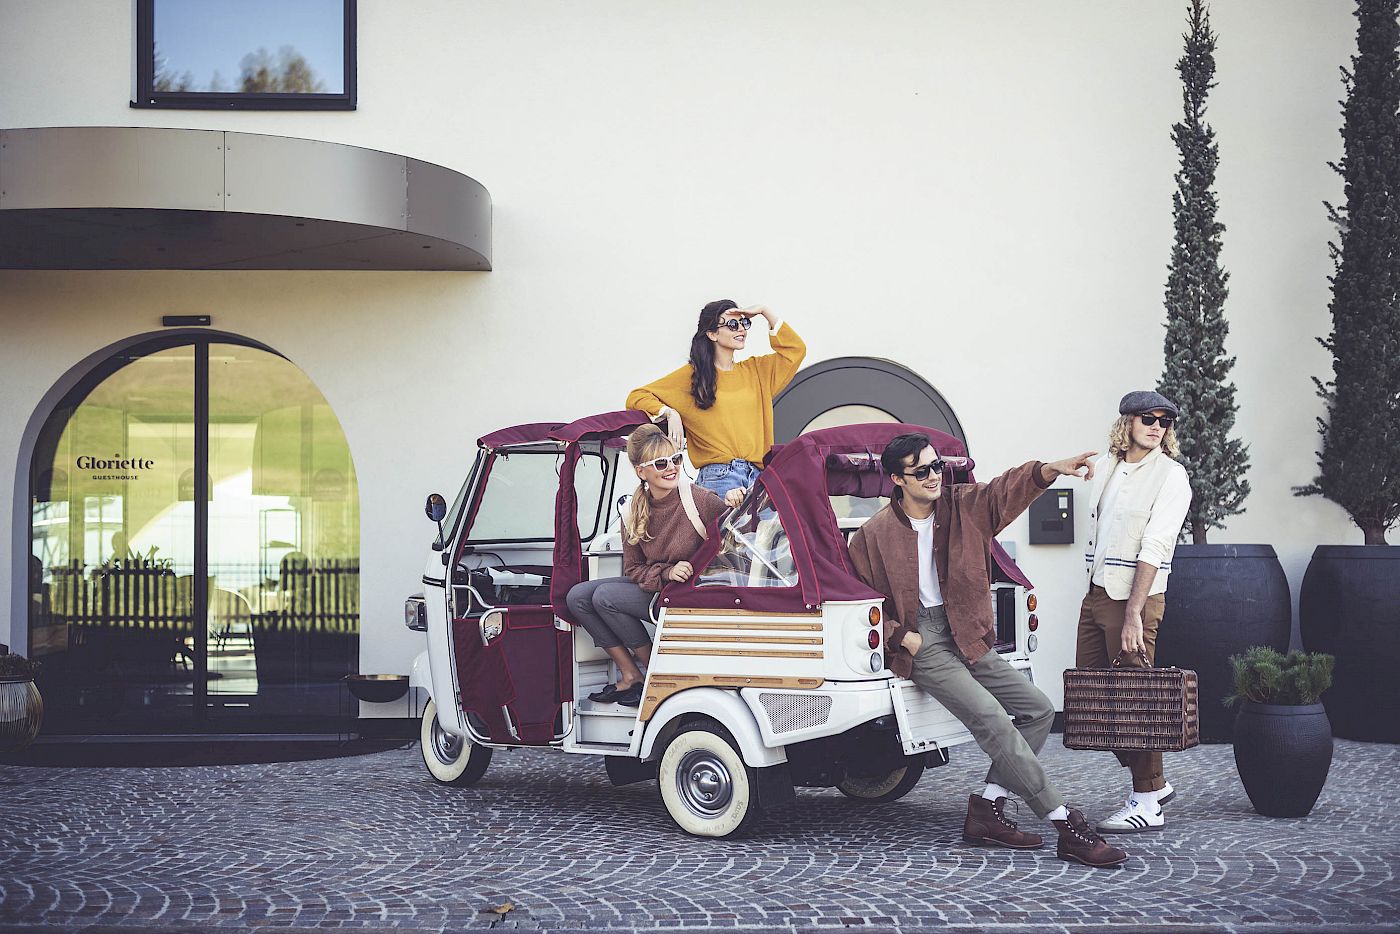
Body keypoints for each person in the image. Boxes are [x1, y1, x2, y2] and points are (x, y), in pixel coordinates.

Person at [847, 432, 1130, 868]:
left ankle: (987, 807)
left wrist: (1050, 469)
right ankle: (1064, 823)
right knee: (992, 718)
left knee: (1037, 710)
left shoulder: (965, 506)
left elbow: (1005, 490)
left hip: (968, 633)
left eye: (936, 465)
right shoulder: (872, 535)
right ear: (896, 480)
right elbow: (860, 601)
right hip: (923, 644)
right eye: (920, 470)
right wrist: (901, 636)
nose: (933, 476)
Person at [1077, 390, 1192, 833]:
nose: (1157, 426)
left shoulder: (1171, 476)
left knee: (1135, 699)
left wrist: (1133, 617)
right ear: (1126, 421)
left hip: (1135, 600)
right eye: (1149, 417)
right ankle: (1156, 782)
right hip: (1097, 593)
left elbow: (1156, 546)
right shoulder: (1107, 467)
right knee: (1092, 697)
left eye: (1164, 420)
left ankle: (1147, 798)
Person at [566, 425, 743, 707]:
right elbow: (633, 569)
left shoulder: (699, 499)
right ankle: (630, 674)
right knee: (577, 597)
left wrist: (736, 501)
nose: (671, 467)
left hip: (690, 593)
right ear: (641, 471)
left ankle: (657, 674)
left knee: (604, 597)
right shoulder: (632, 511)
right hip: (660, 585)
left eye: (676, 459)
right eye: (661, 463)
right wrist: (666, 572)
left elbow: (739, 536)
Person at [626, 300, 805, 497]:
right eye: (732, 324)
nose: (741, 330)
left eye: (744, 323)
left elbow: (795, 350)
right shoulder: (693, 376)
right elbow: (637, 396)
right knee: (725, 529)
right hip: (720, 477)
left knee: (776, 528)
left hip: (759, 477)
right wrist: (669, 412)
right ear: (712, 334)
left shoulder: (757, 371)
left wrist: (764, 311)